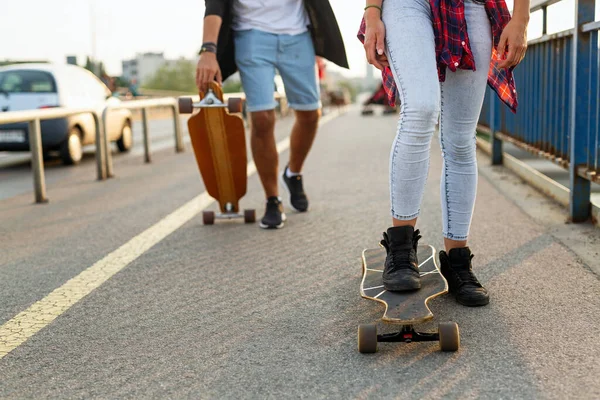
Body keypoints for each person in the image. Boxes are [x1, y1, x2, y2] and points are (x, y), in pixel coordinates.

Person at [359, 0, 529, 306]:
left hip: (473, 6)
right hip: (406, 4)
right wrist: (372, 12)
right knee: (420, 110)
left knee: (461, 138)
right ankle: (400, 250)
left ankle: (457, 260)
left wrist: (521, 19)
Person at [198, 0, 349, 229]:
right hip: (250, 35)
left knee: (310, 114)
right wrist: (208, 50)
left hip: (297, 35)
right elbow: (215, 6)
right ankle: (273, 199)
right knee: (261, 117)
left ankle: (293, 173)